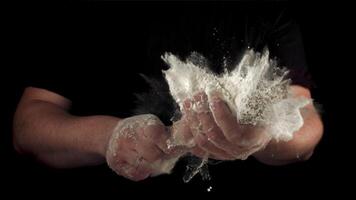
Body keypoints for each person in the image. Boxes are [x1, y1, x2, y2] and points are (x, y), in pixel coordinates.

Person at [12, 3, 323, 181]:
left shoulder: (265, 12)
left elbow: (306, 122)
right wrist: (108, 137)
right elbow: (28, 125)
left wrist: (266, 134)